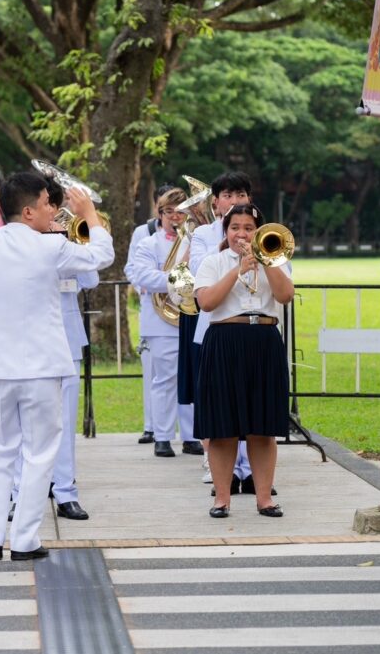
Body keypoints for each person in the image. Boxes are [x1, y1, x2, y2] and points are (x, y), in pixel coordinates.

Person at [0, 171, 113, 561]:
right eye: (46, 203)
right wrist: (88, 213)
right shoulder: (49, 247)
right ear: (27, 210)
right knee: (39, 452)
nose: (53, 209)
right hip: (41, 364)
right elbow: (102, 255)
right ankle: (23, 539)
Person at [193, 203, 293, 519]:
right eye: (235, 227)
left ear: (259, 231)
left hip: (263, 340)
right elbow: (206, 302)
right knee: (222, 427)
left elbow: (285, 296)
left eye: (249, 228)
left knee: (263, 427)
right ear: (226, 231)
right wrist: (238, 271)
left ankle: (264, 499)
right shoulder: (214, 262)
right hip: (225, 340)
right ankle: (222, 499)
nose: (242, 234)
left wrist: (266, 261)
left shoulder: (275, 259)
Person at [9, 175, 99, 522]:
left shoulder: (67, 241)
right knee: (20, 425)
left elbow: (91, 279)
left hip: (66, 340)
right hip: (26, 342)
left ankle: (65, 491)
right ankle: (19, 493)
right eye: (49, 205)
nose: (54, 213)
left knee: (63, 422)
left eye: (57, 207)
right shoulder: (19, 243)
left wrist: (76, 239)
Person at [187, 172, 255, 490]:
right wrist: (231, 246)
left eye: (240, 194)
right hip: (213, 329)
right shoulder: (202, 234)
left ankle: (249, 470)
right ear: (215, 202)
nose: (234, 200)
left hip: (254, 328)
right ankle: (218, 470)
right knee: (217, 403)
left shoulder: (263, 232)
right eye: (227, 195)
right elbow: (201, 269)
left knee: (250, 403)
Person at [125, 188, 200, 458]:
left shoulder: (196, 241)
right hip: (160, 322)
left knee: (192, 377)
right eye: (169, 211)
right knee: (164, 379)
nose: (176, 217)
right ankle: (163, 436)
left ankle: (192, 436)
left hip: (191, 316)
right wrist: (179, 276)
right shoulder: (149, 243)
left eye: (181, 211)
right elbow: (141, 275)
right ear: (160, 214)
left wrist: (169, 276)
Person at [127, 193, 163, 445]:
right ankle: (151, 426)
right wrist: (139, 282)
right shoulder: (143, 232)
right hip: (152, 306)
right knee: (152, 371)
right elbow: (131, 266)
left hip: (180, 309)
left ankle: (190, 432)